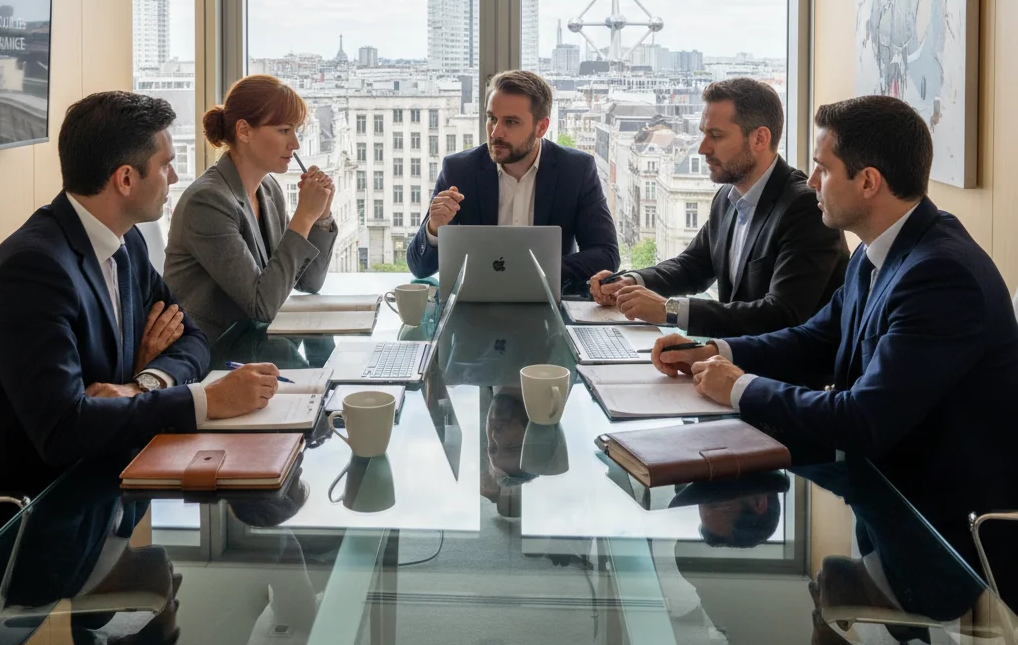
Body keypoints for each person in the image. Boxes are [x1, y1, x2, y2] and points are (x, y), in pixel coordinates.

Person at [653, 95, 1018, 540]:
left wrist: (739, 386)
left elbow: (863, 419)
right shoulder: (878, 247)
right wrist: (713, 351)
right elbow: (816, 337)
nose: (811, 184)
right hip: (879, 495)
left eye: (823, 169)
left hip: (941, 530)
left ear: (868, 182)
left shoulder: (941, 276)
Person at [0, 92, 279, 488]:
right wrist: (207, 400)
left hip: (118, 476)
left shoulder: (126, 242)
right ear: (126, 179)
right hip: (47, 511)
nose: (175, 178)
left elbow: (193, 340)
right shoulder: (33, 269)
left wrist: (142, 384)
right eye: (166, 165)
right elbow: (63, 430)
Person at [590, 78, 848, 337]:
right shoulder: (728, 196)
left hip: (783, 374)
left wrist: (670, 310)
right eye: (704, 133)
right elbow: (693, 266)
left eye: (716, 135)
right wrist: (630, 282)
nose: (703, 148)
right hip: (731, 361)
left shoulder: (805, 208)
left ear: (760, 138)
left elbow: (781, 313)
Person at [407, 70, 619, 293]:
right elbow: (419, 268)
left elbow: (606, 255)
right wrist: (434, 228)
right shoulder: (459, 170)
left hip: (548, 301)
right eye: (492, 118)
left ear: (541, 127)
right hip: (476, 304)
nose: (496, 132)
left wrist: (532, 272)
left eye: (510, 122)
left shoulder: (576, 170)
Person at [165, 75, 337, 343]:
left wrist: (321, 216)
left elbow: (309, 282)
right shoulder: (208, 201)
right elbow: (261, 306)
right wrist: (304, 216)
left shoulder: (269, 190)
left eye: (296, 131)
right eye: (283, 131)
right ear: (244, 131)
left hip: (252, 346)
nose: (295, 144)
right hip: (209, 354)